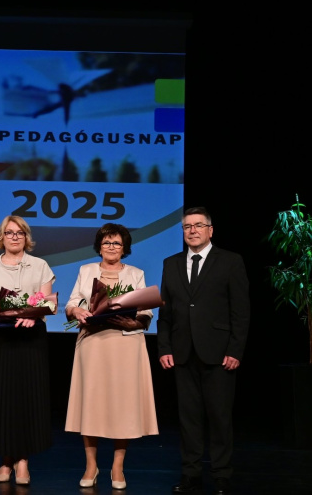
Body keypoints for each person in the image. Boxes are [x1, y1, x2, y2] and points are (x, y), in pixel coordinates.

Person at [157, 207, 249, 495]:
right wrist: (164, 347)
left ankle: (221, 475)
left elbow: (241, 311)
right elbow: (165, 312)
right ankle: (191, 474)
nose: (192, 230)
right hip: (182, 352)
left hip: (219, 353)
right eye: (187, 226)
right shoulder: (171, 263)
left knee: (220, 417)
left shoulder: (231, 261)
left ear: (211, 230)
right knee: (189, 419)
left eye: (198, 225)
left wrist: (235, 349)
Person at [64, 223, 159, 490]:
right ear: (99, 246)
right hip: (93, 343)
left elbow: (146, 311)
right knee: (91, 404)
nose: (111, 247)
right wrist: (77, 311)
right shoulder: (86, 271)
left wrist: (134, 321)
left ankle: (118, 466)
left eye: (117, 243)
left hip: (126, 344)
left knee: (122, 405)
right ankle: (91, 465)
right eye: (107, 242)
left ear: (124, 247)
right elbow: (71, 303)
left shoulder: (136, 274)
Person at [0, 215, 55, 486]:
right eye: (9, 233)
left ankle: (23, 461)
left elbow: (47, 302)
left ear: (26, 237)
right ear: (2, 236)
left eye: (20, 233)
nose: (14, 237)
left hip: (30, 340)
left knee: (27, 400)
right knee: (2, 400)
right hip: (0, 339)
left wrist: (35, 314)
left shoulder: (40, 265)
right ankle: (6, 459)